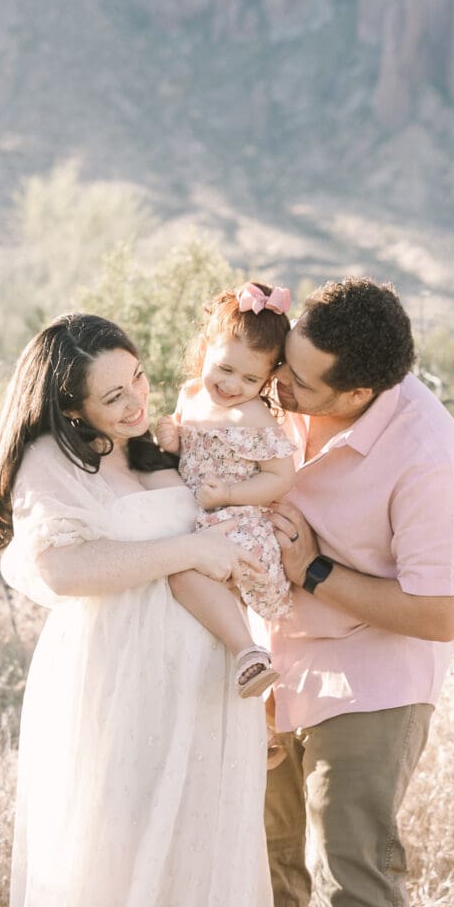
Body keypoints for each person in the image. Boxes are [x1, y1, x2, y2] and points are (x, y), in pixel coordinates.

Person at [0, 312, 286, 907]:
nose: (136, 399)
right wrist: (188, 552)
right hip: (118, 688)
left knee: (195, 867)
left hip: (205, 694)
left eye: (137, 377)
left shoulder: (159, 445)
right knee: (113, 870)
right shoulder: (51, 459)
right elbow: (61, 567)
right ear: (72, 408)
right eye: (113, 395)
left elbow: (240, 502)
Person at [261, 277, 454, 907]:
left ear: (359, 391)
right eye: (284, 367)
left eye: (302, 383)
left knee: (351, 863)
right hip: (270, 660)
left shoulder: (427, 451)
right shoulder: (278, 389)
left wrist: (312, 567)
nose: (282, 388)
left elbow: (438, 611)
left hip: (373, 673)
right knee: (267, 858)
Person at [154, 281, 297, 698]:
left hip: (239, 525)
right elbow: (188, 454)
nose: (233, 385)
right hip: (199, 516)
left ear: (269, 377)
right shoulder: (192, 395)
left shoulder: (253, 417)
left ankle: (249, 656)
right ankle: (259, 727)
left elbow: (279, 478)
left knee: (183, 575)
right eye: (225, 369)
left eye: (251, 377)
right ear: (205, 350)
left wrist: (229, 495)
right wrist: (172, 439)